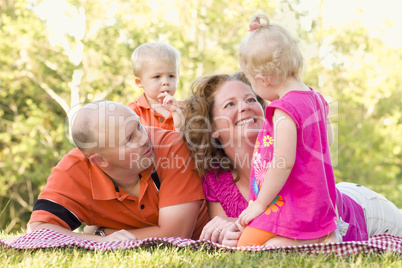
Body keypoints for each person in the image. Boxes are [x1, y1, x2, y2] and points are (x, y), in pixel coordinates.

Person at [181, 73, 402, 247]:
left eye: (250, 99)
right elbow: (227, 229)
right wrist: (228, 232)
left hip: (363, 212)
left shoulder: (286, 148)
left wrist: (237, 226)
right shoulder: (216, 179)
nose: (245, 106)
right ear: (212, 129)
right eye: (229, 104)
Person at [27, 101, 209, 242]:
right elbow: (39, 231)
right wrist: (100, 239)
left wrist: (104, 232)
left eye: (139, 126)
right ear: (100, 160)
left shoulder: (172, 147)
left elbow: (175, 235)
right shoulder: (73, 171)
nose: (144, 139)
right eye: (129, 139)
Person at [128, 41, 183, 131]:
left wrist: (177, 114)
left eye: (171, 76)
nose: (166, 82)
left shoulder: (183, 109)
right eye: (157, 76)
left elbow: (187, 141)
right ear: (139, 82)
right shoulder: (133, 111)